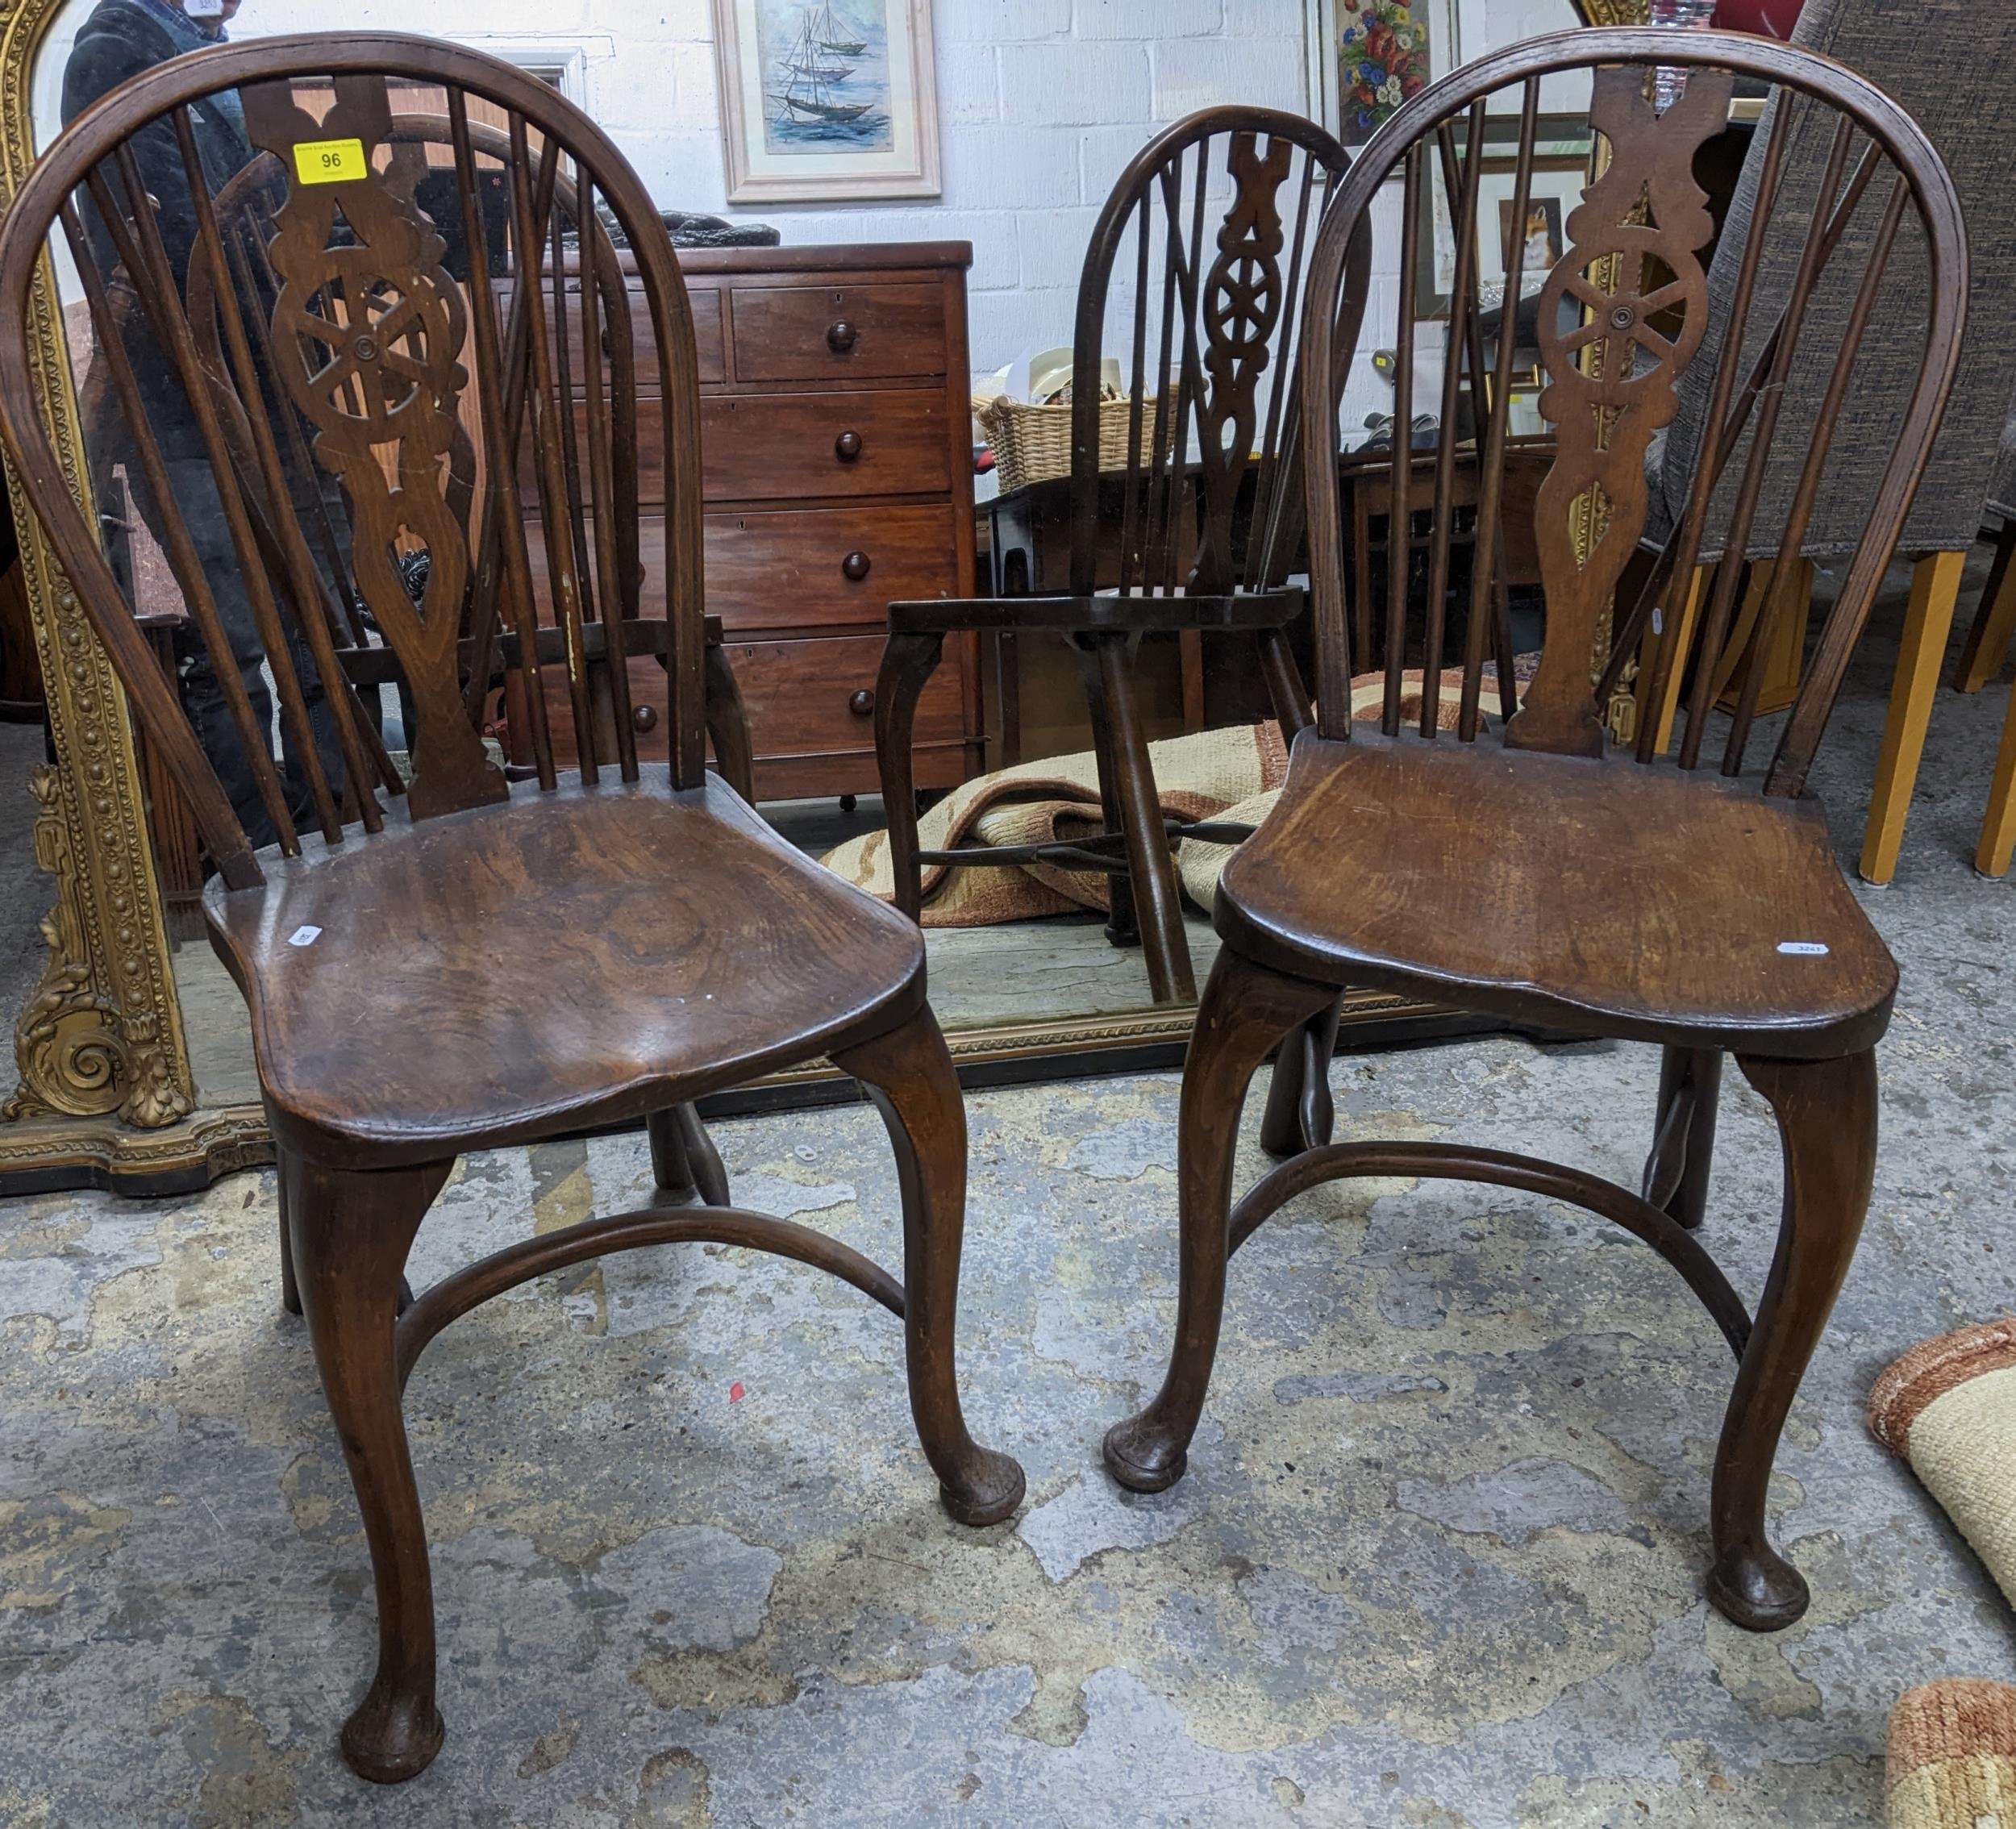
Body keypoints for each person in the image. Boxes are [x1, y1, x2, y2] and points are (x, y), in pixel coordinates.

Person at [65, 0, 348, 849]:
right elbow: (163, 233)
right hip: (180, 393)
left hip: (274, 380)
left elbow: (285, 195)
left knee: (319, 616)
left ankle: (338, 808)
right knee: (223, 634)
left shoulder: (210, 51)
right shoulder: (118, 47)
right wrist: (290, 244)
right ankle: (260, 835)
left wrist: (322, 217)